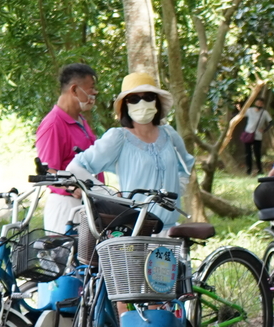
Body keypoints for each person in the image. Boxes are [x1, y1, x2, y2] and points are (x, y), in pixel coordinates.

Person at [66, 72, 193, 226]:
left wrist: (178, 188)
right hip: (136, 229)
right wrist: (109, 195)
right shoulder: (118, 138)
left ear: (157, 101)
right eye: (134, 99)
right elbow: (75, 168)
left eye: (148, 97)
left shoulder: (170, 135)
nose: (142, 103)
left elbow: (185, 166)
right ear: (125, 105)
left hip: (171, 230)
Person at [35, 63, 98, 235]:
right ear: (75, 89)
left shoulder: (80, 121)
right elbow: (48, 172)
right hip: (67, 208)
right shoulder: (53, 125)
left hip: (87, 205)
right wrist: (72, 188)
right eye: (91, 88)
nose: (95, 93)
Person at [240, 99, 271, 175]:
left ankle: (260, 169)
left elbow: (271, 122)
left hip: (258, 135)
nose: (259, 105)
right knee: (248, 153)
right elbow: (241, 114)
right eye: (258, 103)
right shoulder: (249, 110)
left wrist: (264, 130)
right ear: (255, 103)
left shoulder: (264, 113)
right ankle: (248, 170)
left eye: (261, 103)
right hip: (248, 134)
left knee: (257, 153)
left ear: (263, 105)